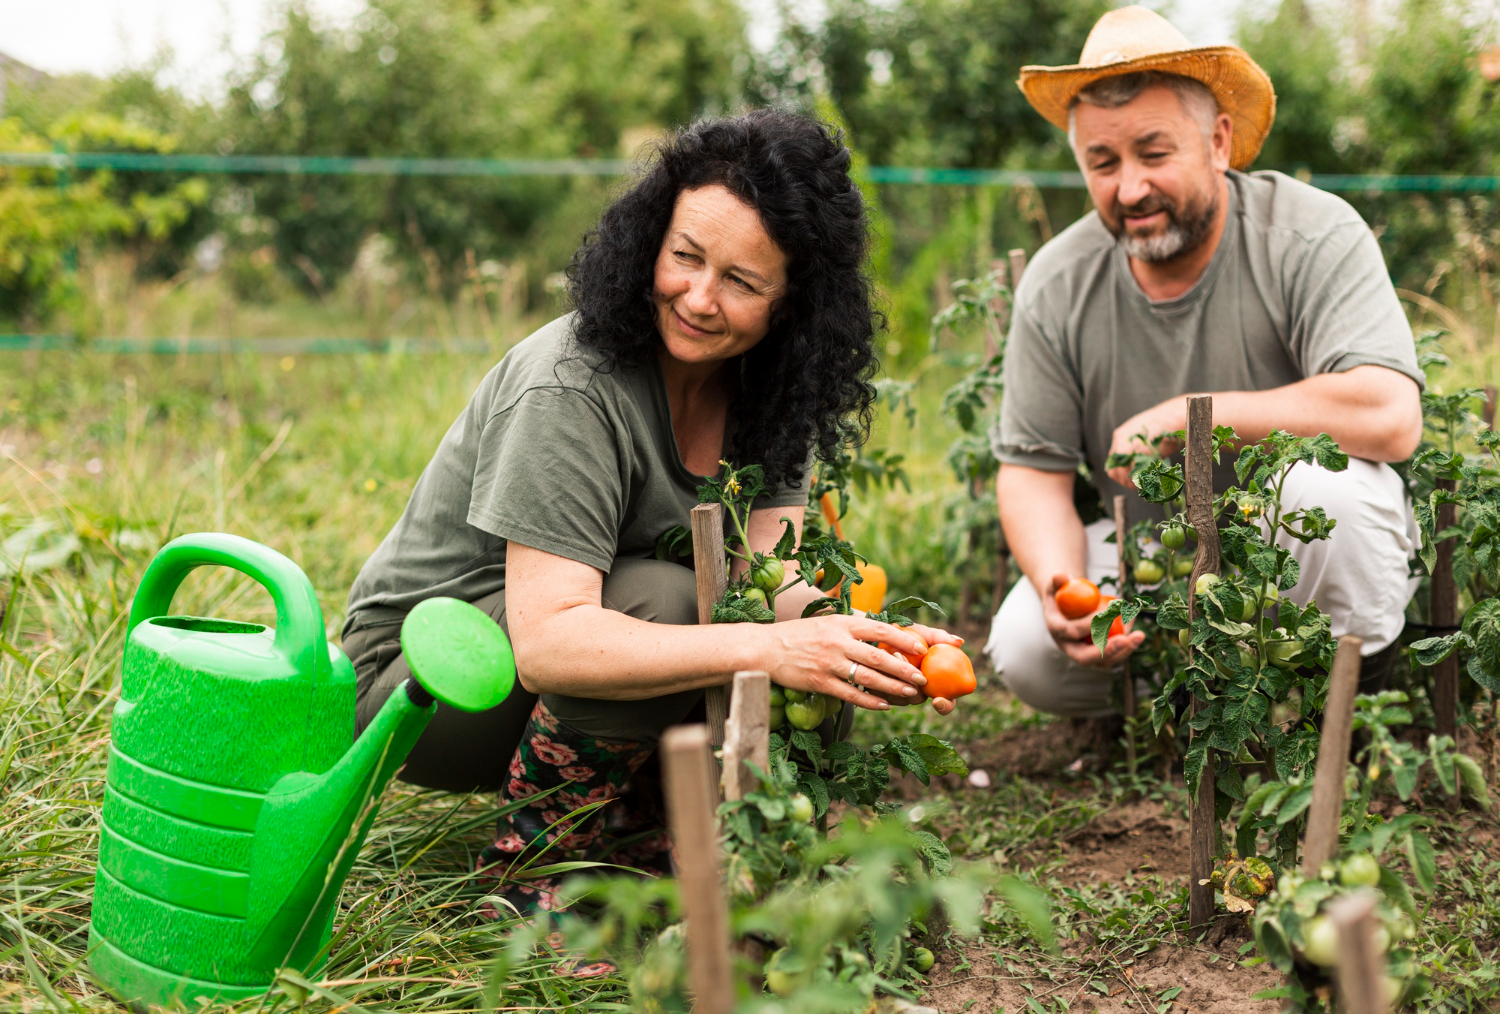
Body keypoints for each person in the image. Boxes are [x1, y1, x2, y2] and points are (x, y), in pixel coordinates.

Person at [342, 109, 962, 913]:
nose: (698, 298)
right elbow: (550, 647)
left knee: (809, 639)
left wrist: (869, 644)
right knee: (667, 601)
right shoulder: (571, 386)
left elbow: (766, 582)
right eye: (685, 258)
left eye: (741, 282)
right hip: (419, 684)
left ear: (791, 307)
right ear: (650, 242)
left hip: (533, 664)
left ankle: (657, 843)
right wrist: (775, 647)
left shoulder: (771, 396)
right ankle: (544, 879)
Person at [984, 6, 1425, 721]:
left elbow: (1389, 415)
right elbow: (1033, 471)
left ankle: (1351, 705)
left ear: (1218, 141)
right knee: (1028, 647)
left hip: (1289, 563)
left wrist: (1194, 421)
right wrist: (1061, 584)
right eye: (1103, 163)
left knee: (1328, 496)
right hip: (1158, 562)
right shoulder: (1058, 281)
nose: (1129, 189)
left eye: (1154, 155)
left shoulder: (1311, 236)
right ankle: (1188, 708)